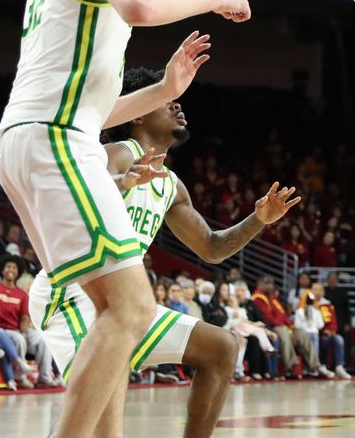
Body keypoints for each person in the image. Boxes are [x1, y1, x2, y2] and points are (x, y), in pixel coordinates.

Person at [0, 0, 250, 438]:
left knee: (109, 316)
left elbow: (95, 112)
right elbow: (139, 7)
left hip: (33, 138)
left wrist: (162, 90)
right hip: (54, 141)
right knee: (132, 308)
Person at [27, 67, 300, 437]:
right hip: (73, 293)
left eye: (177, 100)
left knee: (221, 348)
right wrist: (121, 183)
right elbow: (79, 187)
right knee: (96, 408)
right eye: (166, 100)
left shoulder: (171, 185)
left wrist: (258, 219)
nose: (177, 105)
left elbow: (213, 248)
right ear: (137, 112)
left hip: (123, 303)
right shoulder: (118, 154)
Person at [0, 257, 54, 387]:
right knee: (19, 339)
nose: (11, 270)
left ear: (18, 272)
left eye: (14, 268)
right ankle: (20, 377)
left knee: (43, 339)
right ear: (2, 270)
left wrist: (24, 333)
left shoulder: (22, 294)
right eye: (8, 267)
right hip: (1, 330)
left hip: (17, 329)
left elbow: (24, 317)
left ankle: (44, 377)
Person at [312, 281, 351, 379]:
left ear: (323, 292)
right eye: (315, 290)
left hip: (328, 334)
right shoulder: (308, 304)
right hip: (315, 334)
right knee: (321, 339)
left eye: (320, 290)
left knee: (339, 339)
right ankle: (321, 366)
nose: (317, 292)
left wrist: (332, 331)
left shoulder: (328, 305)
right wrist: (322, 331)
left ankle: (339, 366)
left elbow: (333, 322)